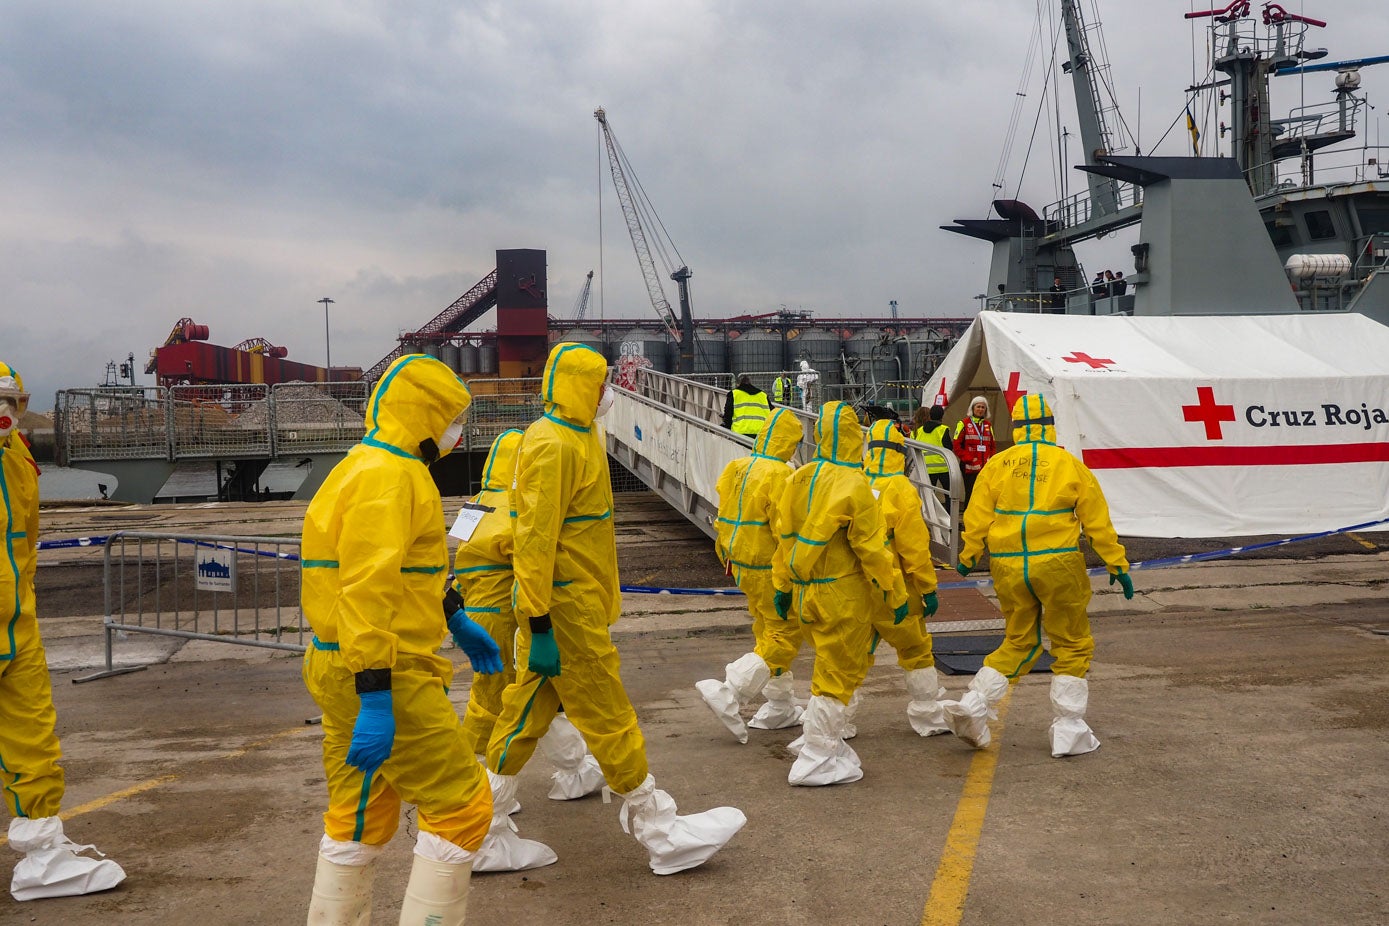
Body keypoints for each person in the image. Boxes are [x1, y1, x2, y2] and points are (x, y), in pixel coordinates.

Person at [480, 342, 745, 875]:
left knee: (521, 719)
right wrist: (539, 621)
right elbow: (534, 540)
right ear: (584, 387)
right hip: (565, 610)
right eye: (602, 384)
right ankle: (658, 828)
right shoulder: (552, 444)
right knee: (610, 717)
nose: (608, 394)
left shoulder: (578, 436)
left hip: (573, 606)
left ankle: (476, 832)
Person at [301, 353, 504, 924]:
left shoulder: (362, 464)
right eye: (451, 415)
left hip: (338, 661)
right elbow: (368, 588)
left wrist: (453, 615)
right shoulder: (394, 477)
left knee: (360, 810)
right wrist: (376, 693)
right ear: (425, 414)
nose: (457, 429)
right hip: (385, 669)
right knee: (462, 810)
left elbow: (395, 569)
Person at [944, 394, 1134, 757]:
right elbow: (1097, 521)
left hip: (1008, 565)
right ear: (1050, 425)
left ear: (1015, 428)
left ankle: (974, 702)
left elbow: (976, 516)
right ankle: (1069, 728)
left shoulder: (997, 464)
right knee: (1071, 644)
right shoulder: (1068, 464)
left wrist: (968, 558)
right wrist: (1117, 564)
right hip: (1058, 563)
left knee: (1019, 642)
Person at [0, 362, 126, 902]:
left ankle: (44, 854)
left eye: (11, 399)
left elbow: (22, 539)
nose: (6, 411)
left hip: (13, 621)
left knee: (33, 736)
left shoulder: (17, 459)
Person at [449, 429, 603, 835]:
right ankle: (470, 786)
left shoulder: (475, 506)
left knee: (527, 698)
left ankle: (575, 769)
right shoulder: (517, 507)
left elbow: (460, 563)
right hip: (505, 617)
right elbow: (532, 563)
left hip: (473, 612)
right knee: (498, 701)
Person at [771, 401, 910, 786]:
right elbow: (873, 549)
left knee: (825, 670)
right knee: (837, 676)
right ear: (854, 437)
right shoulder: (854, 484)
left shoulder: (796, 477)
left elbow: (782, 537)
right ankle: (816, 758)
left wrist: (781, 585)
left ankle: (819, 742)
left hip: (803, 593)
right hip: (841, 594)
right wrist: (895, 593)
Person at [696, 407, 808, 743]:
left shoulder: (737, 467)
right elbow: (785, 531)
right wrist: (790, 576)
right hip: (769, 566)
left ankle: (780, 704)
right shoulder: (781, 475)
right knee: (784, 633)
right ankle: (730, 691)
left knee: (766, 628)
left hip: (740, 563)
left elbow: (724, 512)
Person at [862, 419, 949, 737]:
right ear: (901, 451)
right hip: (895, 584)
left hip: (859, 584)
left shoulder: (857, 480)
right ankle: (927, 715)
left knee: (855, 653)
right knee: (915, 650)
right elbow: (914, 547)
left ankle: (834, 721)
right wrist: (928, 587)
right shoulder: (901, 489)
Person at [953, 396, 995, 509]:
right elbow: (956, 446)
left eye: (983, 407)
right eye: (978, 406)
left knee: (983, 493)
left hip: (984, 466)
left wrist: (991, 459)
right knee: (971, 493)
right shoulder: (963, 423)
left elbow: (992, 445)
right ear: (973, 408)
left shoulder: (988, 425)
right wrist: (969, 459)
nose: (980, 409)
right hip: (969, 466)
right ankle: (968, 518)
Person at [912, 405, 953, 493]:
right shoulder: (943, 429)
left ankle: (929, 507)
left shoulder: (919, 431)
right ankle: (949, 508)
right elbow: (949, 448)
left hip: (926, 467)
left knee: (929, 495)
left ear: (930, 416)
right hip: (943, 467)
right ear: (942, 416)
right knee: (949, 494)